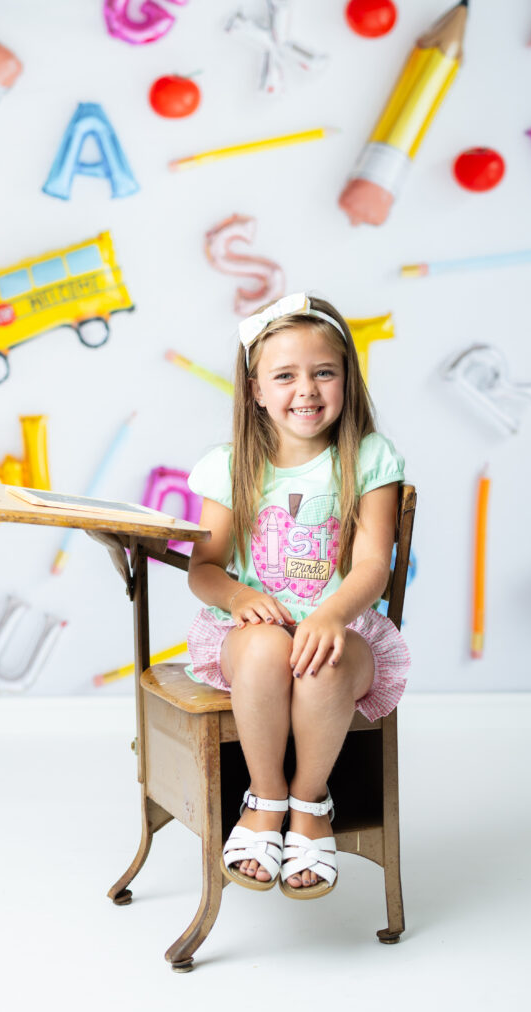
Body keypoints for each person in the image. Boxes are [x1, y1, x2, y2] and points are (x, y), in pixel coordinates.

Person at [185, 292, 410, 900]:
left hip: (345, 634)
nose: (305, 389)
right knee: (262, 649)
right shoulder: (230, 467)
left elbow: (372, 566)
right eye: (284, 375)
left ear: (347, 380)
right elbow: (202, 567)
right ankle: (265, 798)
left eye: (323, 372)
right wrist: (234, 596)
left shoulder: (367, 459)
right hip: (251, 641)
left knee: (325, 658)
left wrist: (334, 613)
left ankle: (311, 800)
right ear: (256, 389)